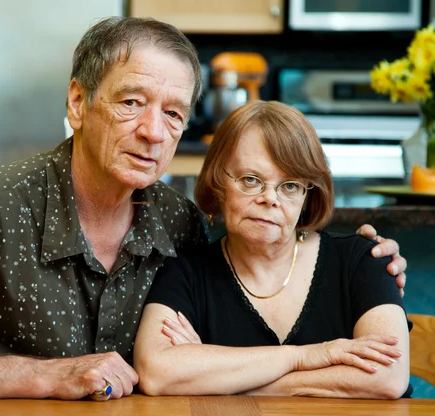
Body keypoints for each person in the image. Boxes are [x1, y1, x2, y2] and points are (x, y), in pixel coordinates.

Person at [0, 18, 406, 401]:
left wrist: (357, 258)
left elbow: (211, 343)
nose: (153, 133)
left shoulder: (177, 222)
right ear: (79, 103)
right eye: (132, 102)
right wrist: (46, 375)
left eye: (175, 114)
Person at [134, 100, 411, 399]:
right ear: (217, 183)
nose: (270, 198)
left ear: (308, 194)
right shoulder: (185, 273)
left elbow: (388, 377)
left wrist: (223, 378)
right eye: (251, 180)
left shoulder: (363, 259)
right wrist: (303, 357)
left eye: (290, 185)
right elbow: (157, 373)